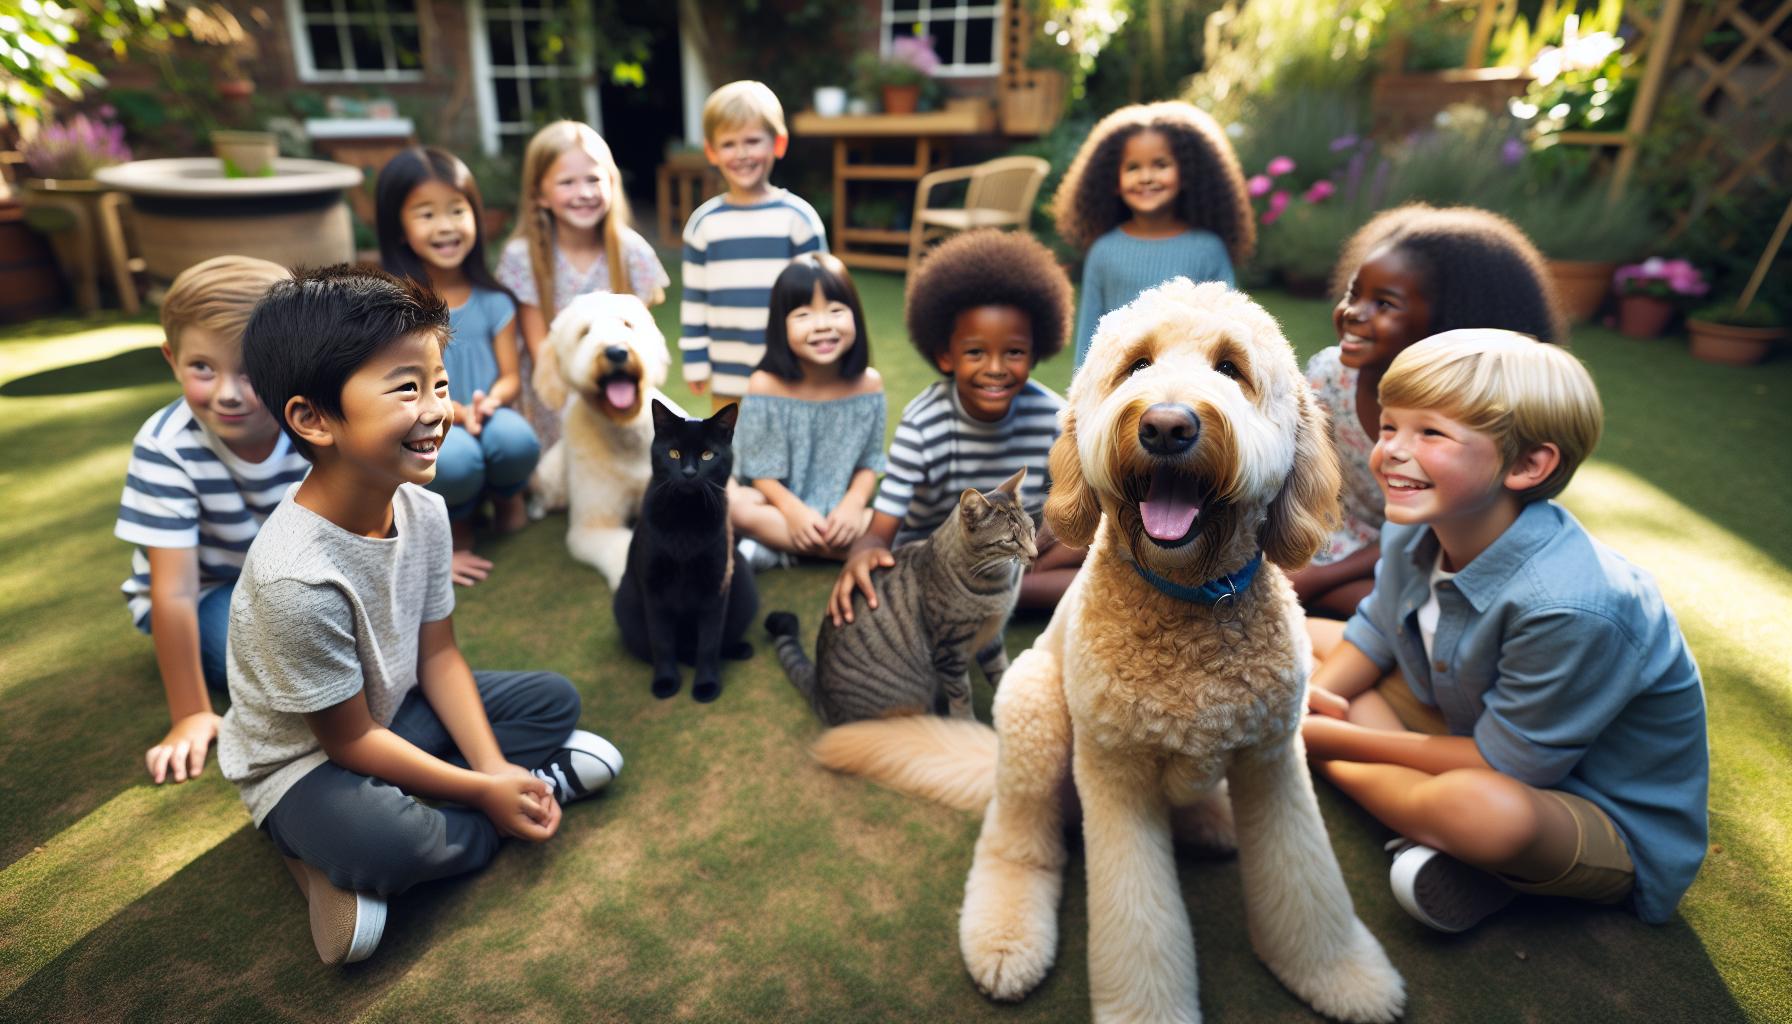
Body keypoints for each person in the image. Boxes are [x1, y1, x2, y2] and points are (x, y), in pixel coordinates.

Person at [223, 265, 622, 965]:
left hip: (392, 711)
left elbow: (438, 657)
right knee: (390, 841)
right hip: (307, 761)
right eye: (407, 387)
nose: (437, 407)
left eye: (437, 383)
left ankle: (485, 794)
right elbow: (346, 744)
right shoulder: (296, 577)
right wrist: (487, 791)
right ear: (313, 418)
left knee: (553, 701)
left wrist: (493, 766)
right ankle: (327, 853)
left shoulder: (425, 508)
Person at [1303, 330, 1707, 934]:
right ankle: (1445, 842)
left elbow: (1504, 768)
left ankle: (1377, 795)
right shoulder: (1420, 519)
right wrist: (1318, 699)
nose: (1391, 452)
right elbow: (1375, 633)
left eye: (1431, 433)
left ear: (1527, 464)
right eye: (1390, 427)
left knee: (1485, 815)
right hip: (1467, 715)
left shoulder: (1573, 606)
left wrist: (1311, 735)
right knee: (1289, 636)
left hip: (1578, 802)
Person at [1292, 204, 1566, 619]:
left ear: (1449, 325)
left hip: (1435, 548)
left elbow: (1431, 529)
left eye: (1384, 303)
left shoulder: (1465, 419)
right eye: (1354, 293)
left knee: (1413, 611)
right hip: (1338, 537)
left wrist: (1316, 580)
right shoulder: (1332, 375)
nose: (1354, 313)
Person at [115, 255, 308, 786]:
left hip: (287, 578)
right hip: (206, 592)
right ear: (170, 358)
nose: (227, 392)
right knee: (283, 671)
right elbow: (172, 593)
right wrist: (191, 713)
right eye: (204, 367)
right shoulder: (165, 449)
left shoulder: (311, 421)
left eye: (249, 371)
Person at [829, 230, 1081, 624]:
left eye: (1013, 352)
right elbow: (880, 533)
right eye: (976, 352)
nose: (995, 368)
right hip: (943, 564)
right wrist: (864, 552)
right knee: (1086, 584)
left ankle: (998, 594)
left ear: (1035, 352)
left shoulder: (1054, 416)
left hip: (1021, 553)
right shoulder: (923, 423)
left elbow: (1076, 511)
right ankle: (995, 596)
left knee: (1098, 538)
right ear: (946, 356)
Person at [377, 145, 539, 586]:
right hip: (426, 422)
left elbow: (509, 376)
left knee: (517, 439)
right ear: (399, 229)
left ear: (476, 217)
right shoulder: (397, 308)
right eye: (426, 214)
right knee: (458, 460)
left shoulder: (494, 300)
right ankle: (456, 519)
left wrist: (490, 402)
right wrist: (454, 412)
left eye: (457, 210)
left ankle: (507, 495)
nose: (446, 226)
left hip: (487, 412)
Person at [497, 121, 668, 451]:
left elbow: (640, 342)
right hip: (556, 398)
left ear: (612, 183)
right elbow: (540, 350)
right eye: (567, 182)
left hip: (617, 388)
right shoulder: (523, 258)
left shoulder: (631, 252)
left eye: (593, 179)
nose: (584, 193)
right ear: (539, 195)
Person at [1052, 101, 1255, 369]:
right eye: (1133, 167)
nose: (1146, 177)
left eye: (1160, 164)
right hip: (1122, 389)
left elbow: (1230, 328)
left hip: (1189, 382)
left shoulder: (1208, 249)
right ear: (1113, 181)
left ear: (1186, 175)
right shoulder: (1103, 251)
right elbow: (1089, 339)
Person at [728, 253, 885, 570]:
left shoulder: (868, 385)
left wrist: (854, 504)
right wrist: (793, 511)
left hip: (841, 512)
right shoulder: (765, 385)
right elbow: (761, 473)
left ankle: (779, 549)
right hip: (776, 505)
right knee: (735, 508)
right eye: (803, 315)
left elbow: (870, 461)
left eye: (836, 311)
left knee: (898, 523)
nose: (823, 325)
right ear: (780, 326)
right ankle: (814, 546)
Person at [680, 80, 828, 410]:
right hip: (725, 373)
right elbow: (694, 299)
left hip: (788, 370)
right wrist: (694, 359)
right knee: (732, 454)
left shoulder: (799, 220)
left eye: (752, 141)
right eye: (729, 144)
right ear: (711, 152)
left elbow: (819, 297)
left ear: (778, 143)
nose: (742, 154)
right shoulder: (704, 224)